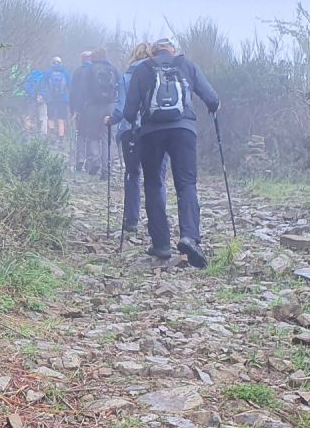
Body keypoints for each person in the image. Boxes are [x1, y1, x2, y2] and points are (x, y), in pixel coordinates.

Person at [120, 37, 220, 267]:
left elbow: (128, 111)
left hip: (151, 133)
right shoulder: (186, 65)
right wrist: (214, 107)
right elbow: (212, 99)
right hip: (184, 131)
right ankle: (190, 237)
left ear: (153, 53)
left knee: (154, 184)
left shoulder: (143, 69)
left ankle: (162, 244)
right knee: (186, 183)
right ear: (173, 50)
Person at [111, 41, 155, 240]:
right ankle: (156, 222)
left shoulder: (127, 75)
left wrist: (111, 120)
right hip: (154, 131)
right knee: (156, 179)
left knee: (132, 174)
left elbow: (122, 108)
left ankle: (131, 220)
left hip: (130, 130)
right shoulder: (159, 73)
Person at [73, 49, 120, 177]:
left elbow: (82, 91)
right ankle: (107, 168)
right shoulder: (113, 69)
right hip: (110, 106)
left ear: (93, 58)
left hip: (92, 107)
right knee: (107, 138)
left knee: (93, 136)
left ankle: (95, 161)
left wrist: (78, 109)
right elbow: (119, 87)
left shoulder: (89, 70)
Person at [37, 56, 70, 141]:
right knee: (61, 118)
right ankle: (61, 138)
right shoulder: (65, 72)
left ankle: (51, 134)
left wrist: (41, 95)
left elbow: (42, 85)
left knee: (50, 117)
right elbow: (70, 86)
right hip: (63, 100)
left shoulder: (48, 72)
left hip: (51, 99)